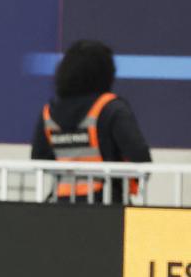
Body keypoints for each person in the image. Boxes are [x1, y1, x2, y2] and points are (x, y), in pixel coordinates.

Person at [30, 40, 151, 204]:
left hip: (61, 203)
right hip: (107, 206)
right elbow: (140, 157)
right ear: (106, 72)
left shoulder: (49, 111)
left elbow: (39, 157)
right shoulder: (110, 108)